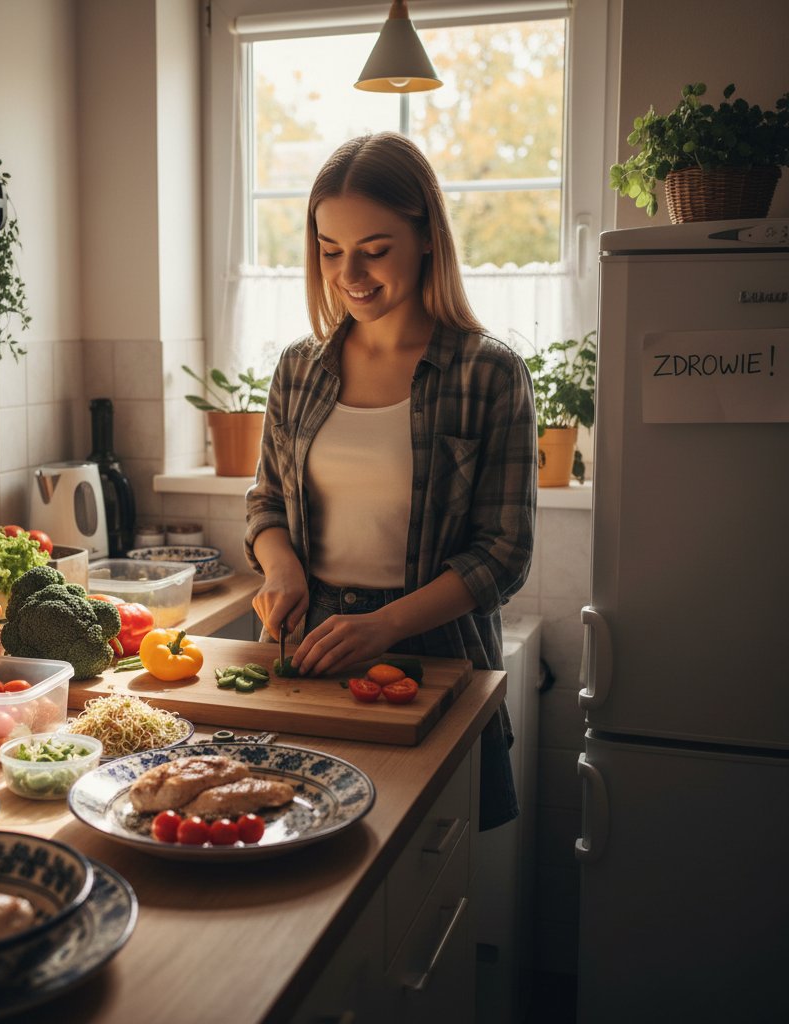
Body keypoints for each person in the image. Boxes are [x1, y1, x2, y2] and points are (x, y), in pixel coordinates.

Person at [245, 132, 537, 831]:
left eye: (375, 250)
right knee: (302, 843)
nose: (351, 273)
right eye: (330, 250)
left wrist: (385, 626)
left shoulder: (489, 373)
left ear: (427, 236)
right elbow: (266, 503)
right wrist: (280, 566)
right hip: (310, 649)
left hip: (435, 652)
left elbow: (504, 554)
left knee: (422, 873)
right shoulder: (298, 368)